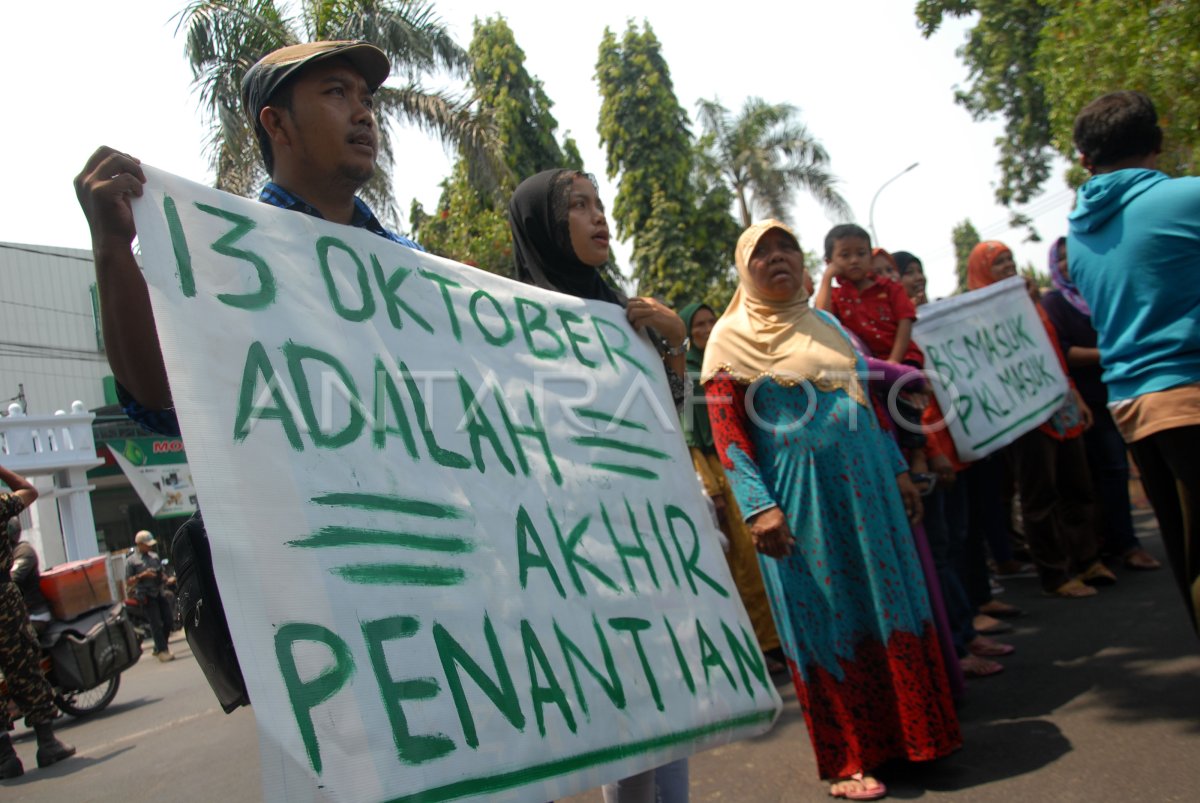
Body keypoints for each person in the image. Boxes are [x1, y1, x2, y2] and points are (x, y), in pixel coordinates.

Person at [704, 220, 960, 801]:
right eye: (761, 254)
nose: (777, 260)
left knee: (887, 600)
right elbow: (730, 437)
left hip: (869, 489)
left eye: (785, 248)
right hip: (800, 501)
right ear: (744, 268)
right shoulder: (728, 340)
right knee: (828, 617)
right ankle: (850, 760)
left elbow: (862, 402)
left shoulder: (827, 326)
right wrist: (758, 507)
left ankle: (914, 739)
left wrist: (898, 471)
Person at [74, 40, 420, 434]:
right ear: (277, 124)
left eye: (367, 101)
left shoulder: (414, 268)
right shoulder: (217, 257)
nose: (364, 116)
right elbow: (164, 400)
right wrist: (111, 246)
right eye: (336, 92)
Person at [509, 168, 690, 803]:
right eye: (577, 207)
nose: (597, 217)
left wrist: (674, 346)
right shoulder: (513, 322)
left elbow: (667, 426)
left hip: (650, 539)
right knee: (629, 720)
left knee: (674, 708)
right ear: (544, 226)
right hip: (583, 547)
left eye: (598, 203)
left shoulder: (621, 313)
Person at [1067, 90, 1200, 635]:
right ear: (1158, 141)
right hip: (1190, 393)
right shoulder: (1187, 198)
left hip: (1134, 406)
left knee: (1189, 557)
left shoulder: (1080, 232)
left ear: (1084, 161)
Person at [967, 242, 1114, 598]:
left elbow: (1050, 353)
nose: (1006, 267)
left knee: (1076, 484)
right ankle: (1055, 573)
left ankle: (1087, 559)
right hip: (1023, 414)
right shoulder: (975, 318)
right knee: (1039, 494)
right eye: (997, 263)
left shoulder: (1032, 304)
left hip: (1058, 403)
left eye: (1009, 260)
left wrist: (1073, 394)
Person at [1041, 237, 1160, 571]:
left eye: (1072, 257)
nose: (1068, 264)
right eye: (1061, 259)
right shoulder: (1054, 303)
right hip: (1087, 403)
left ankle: (1121, 542)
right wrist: (1111, 354)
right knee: (1103, 473)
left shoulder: (1099, 292)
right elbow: (1063, 354)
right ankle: (1115, 546)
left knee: (1124, 470)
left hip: (1124, 391)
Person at [679, 302, 783, 674]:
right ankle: (764, 645)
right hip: (719, 472)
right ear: (688, 333)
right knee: (744, 560)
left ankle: (782, 634)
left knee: (770, 555)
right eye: (699, 324)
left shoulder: (729, 361)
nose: (707, 329)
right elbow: (692, 436)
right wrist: (713, 489)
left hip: (750, 464)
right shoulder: (690, 375)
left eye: (711, 321)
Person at [0, 464, 75, 779]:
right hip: (4, 601)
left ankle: (5, 757)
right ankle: (47, 744)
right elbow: (29, 490)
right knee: (25, 669)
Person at [814, 224, 922, 367]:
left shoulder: (890, 288)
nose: (854, 260)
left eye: (861, 253)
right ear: (829, 262)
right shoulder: (835, 296)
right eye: (845, 255)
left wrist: (894, 361)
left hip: (904, 360)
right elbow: (823, 320)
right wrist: (827, 278)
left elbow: (905, 322)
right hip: (866, 369)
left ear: (871, 257)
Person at [126, 530, 176, 662]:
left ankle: (158, 647)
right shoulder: (131, 561)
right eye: (147, 544)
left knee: (168, 621)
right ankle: (162, 651)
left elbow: (161, 573)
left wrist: (167, 579)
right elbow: (128, 581)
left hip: (159, 592)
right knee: (156, 624)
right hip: (146, 596)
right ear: (139, 544)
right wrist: (143, 575)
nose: (150, 547)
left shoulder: (154, 556)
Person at [6, 520, 52, 633]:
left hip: (34, 616)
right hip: (16, 617)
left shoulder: (23, 552)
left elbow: (11, 580)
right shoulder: (7, 556)